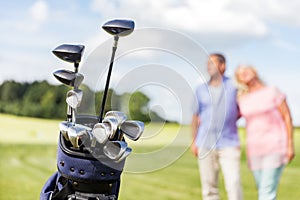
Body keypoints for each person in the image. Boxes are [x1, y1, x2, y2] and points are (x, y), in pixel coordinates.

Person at [234, 65, 295, 200]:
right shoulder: (242, 98)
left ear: (254, 71)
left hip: (275, 144)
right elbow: (232, 117)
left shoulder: (272, 91)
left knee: (266, 192)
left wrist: (290, 145)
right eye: (239, 73)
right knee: (262, 187)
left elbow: (287, 117)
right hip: (255, 148)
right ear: (238, 80)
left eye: (245, 70)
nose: (243, 73)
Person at [191, 53, 243, 200]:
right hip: (205, 143)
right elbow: (195, 117)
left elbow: (243, 108)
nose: (208, 66)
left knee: (233, 183)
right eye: (208, 63)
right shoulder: (200, 89)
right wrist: (194, 142)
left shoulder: (234, 86)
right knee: (209, 187)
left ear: (223, 66)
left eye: (212, 63)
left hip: (229, 143)